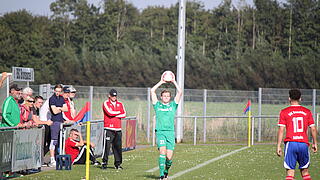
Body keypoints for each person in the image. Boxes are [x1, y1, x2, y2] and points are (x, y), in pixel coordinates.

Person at [276, 89, 318, 180]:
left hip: (291, 143)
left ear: (289, 98)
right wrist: (315, 143)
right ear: (300, 99)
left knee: (290, 173)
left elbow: (281, 130)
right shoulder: (307, 111)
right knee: (305, 172)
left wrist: (278, 146)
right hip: (303, 143)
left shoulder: (284, 112)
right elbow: (313, 129)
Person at [151, 78, 182, 180]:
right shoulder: (157, 105)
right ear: (161, 97)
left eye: (168, 96)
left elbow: (180, 92)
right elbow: (152, 91)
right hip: (160, 132)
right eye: (164, 96)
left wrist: (173, 82)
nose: (166, 97)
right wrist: (161, 81)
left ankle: (166, 171)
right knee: (162, 152)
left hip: (170, 133)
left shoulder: (173, 105)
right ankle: (161, 176)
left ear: (170, 97)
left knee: (169, 158)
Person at [101, 89, 126, 170]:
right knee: (107, 147)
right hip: (109, 128)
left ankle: (118, 164)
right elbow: (109, 113)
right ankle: (104, 163)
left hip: (118, 129)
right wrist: (118, 113)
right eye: (112, 96)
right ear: (109, 95)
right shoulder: (106, 103)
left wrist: (115, 113)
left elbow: (124, 114)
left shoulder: (120, 104)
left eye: (115, 96)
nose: (114, 97)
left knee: (118, 147)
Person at [49, 84, 68, 166]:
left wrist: (59, 108)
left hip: (61, 121)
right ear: (54, 91)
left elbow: (66, 109)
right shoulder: (52, 99)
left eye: (59, 91)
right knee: (54, 141)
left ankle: (60, 157)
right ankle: (52, 159)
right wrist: (60, 108)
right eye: (56, 91)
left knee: (61, 141)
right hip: (55, 122)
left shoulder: (61, 98)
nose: (57, 93)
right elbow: (54, 111)